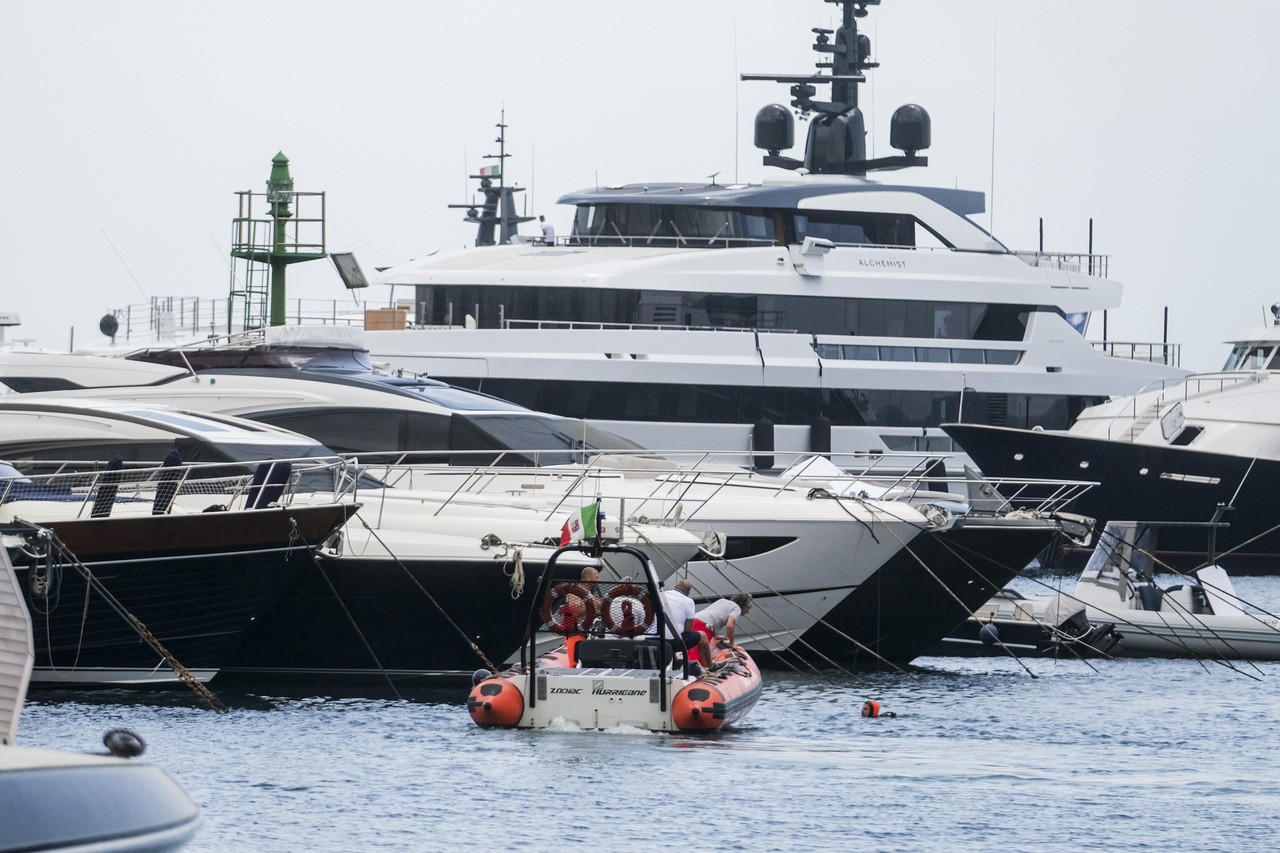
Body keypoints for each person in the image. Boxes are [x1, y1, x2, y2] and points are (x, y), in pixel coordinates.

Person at [647, 579, 711, 666]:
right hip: (671, 642)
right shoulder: (689, 601)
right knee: (703, 636)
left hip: (651, 638)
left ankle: (674, 662)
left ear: (676, 586)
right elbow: (688, 629)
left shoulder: (661, 595)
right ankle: (710, 666)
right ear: (688, 593)